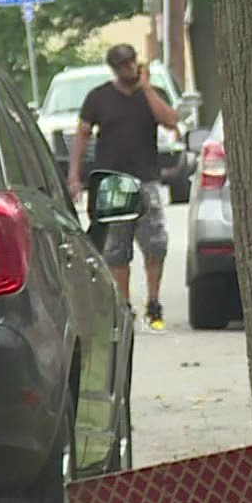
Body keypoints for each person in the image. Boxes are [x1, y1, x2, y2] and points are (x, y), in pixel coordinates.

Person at [68, 44, 180, 331]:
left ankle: (153, 303)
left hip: (146, 178)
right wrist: (74, 177)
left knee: (155, 244)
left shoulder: (150, 95)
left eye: (131, 61)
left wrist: (147, 89)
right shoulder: (99, 98)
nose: (128, 67)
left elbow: (170, 121)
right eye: (122, 64)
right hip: (113, 181)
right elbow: (81, 135)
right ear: (114, 68)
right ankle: (123, 305)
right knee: (117, 248)